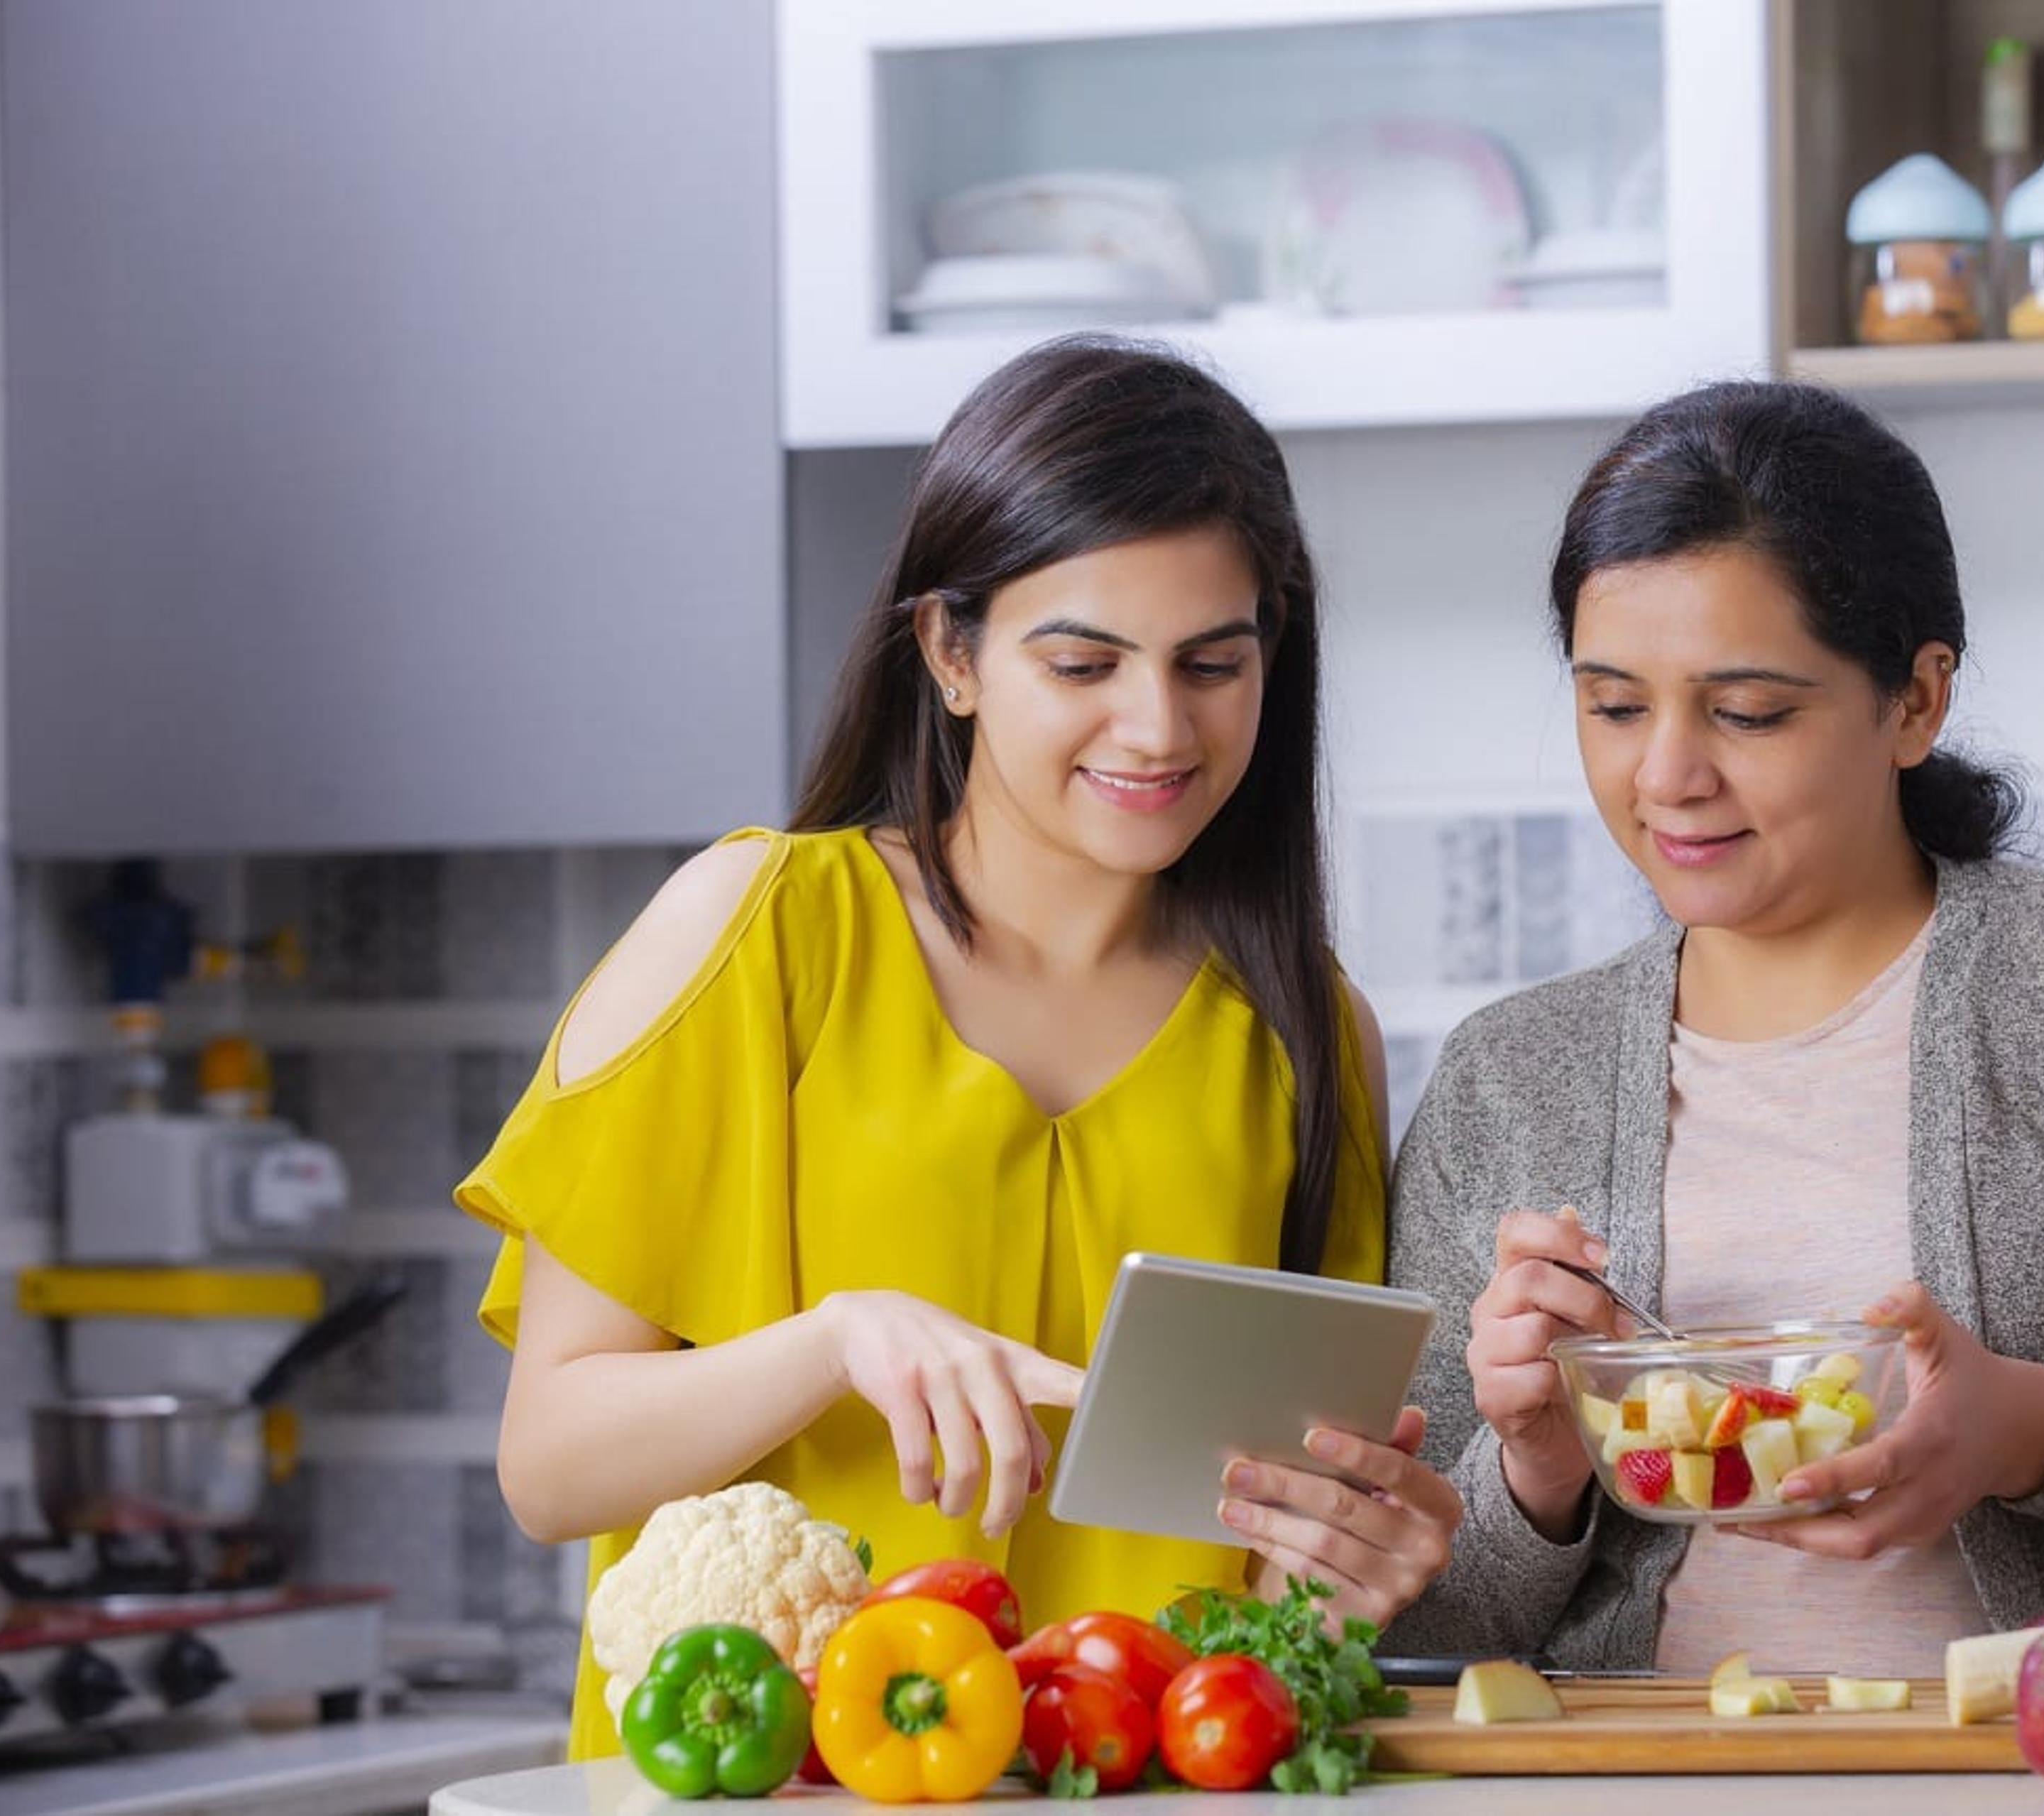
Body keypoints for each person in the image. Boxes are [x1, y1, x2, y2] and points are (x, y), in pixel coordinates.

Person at [457, 338, 1460, 1756]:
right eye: (1084, 660)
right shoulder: (758, 933)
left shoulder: (1303, 1032)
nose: (1158, 725)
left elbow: (1282, 1574)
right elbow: (548, 1467)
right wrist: (831, 1342)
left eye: (1211, 663)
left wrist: (1358, 1565)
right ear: (951, 652)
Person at [1377, 380, 2044, 1676]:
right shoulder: (1510, 1080)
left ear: (1915, 700)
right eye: (1615, 704)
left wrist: (2040, 1432)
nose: (1666, 772)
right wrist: (1538, 1472)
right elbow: (1420, 1631)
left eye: (1747, 711)